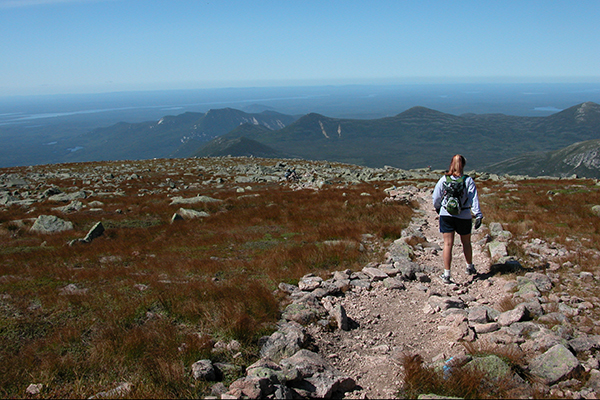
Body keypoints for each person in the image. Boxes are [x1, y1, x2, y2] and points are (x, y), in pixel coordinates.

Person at [432, 154, 483, 284]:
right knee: (466, 242)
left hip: (446, 214)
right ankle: (469, 267)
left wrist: (439, 209)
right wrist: (478, 214)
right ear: (464, 165)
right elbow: (473, 199)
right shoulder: (468, 180)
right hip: (464, 215)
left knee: (448, 244)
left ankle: (447, 274)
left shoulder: (444, 179)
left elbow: (436, 197)